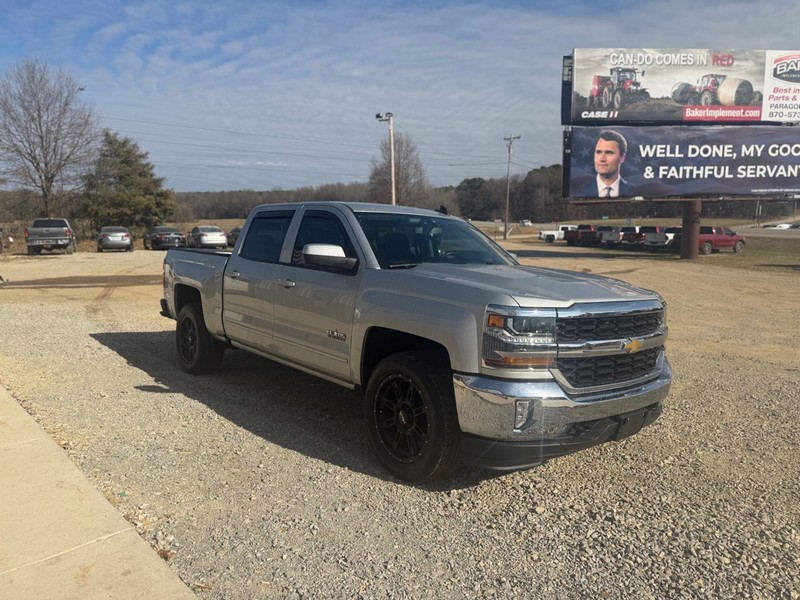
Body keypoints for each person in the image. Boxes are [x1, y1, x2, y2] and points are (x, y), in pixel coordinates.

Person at [584, 129, 633, 198]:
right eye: (598, 152)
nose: (602, 159)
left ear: (622, 158)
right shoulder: (579, 191)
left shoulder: (634, 191)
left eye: (609, 153)